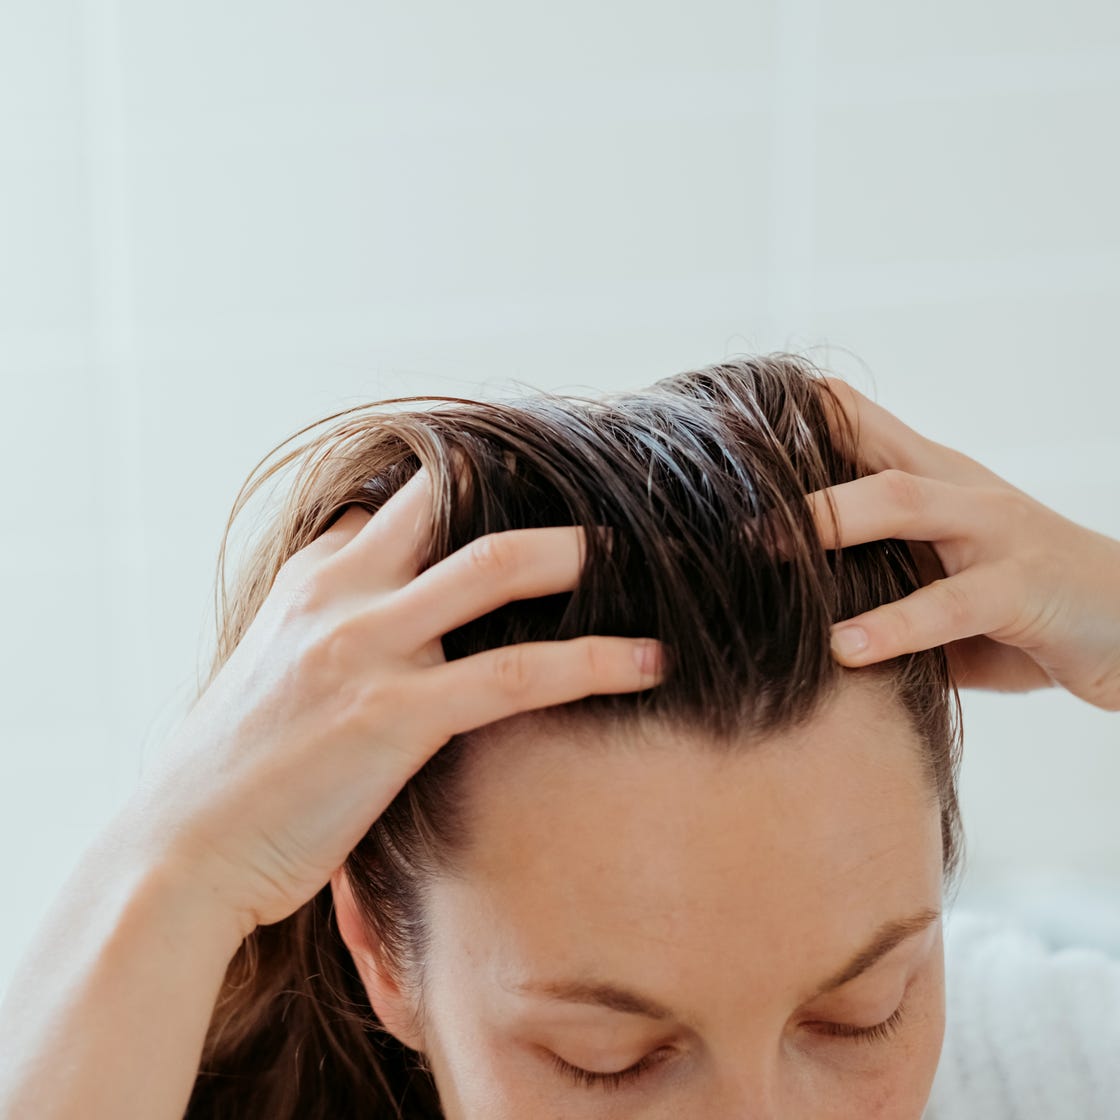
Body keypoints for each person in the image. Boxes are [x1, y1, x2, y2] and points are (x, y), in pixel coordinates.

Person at [0, 355, 1116, 1120]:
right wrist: (175, 869)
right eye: (610, 1062)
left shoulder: (1010, 1065)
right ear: (384, 956)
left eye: (857, 1013)